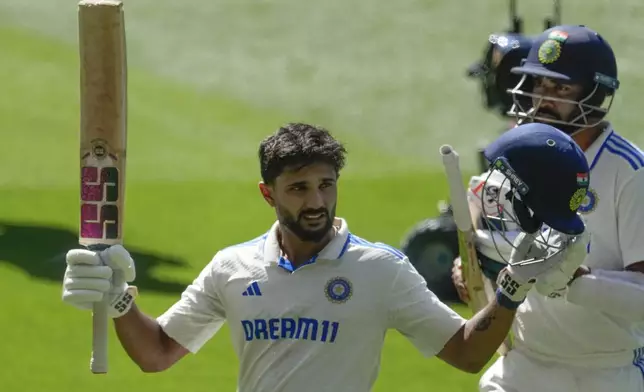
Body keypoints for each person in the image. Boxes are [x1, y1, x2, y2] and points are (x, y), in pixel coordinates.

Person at [64, 122, 589, 391]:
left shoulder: (380, 269)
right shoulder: (233, 267)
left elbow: (467, 354)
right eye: (298, 189)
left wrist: (512, 289)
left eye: (325, 185)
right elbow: (155, 353)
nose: (315, 201)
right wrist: (117, 300)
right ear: (269, 194)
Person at [452, 24, 644, 392]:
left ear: (596, 92)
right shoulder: (520, 151)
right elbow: (480, 214)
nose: (543, 99)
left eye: (560, 88)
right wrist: (472, 266)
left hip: (605, 372)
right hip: (523, 363)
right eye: (539, 85)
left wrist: (577, 283)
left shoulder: (631, 173)